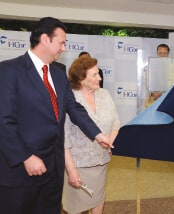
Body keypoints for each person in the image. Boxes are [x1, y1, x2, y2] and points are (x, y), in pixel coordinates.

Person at [0, 17, 112, 214]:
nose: (64, 48)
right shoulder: (9, 70)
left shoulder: (59, 74)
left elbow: (74, 108)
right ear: (45, 39)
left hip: (53, 168)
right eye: (61, 42)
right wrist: (25, 156)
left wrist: (97, 134)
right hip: (21, 169)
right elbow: (4, 121)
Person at [62, 56, 120, 214]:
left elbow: (115, 122)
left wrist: (108, 143)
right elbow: (64, 138)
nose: (100, 77)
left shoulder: (105, 94)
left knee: (98, 202)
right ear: (81, 78)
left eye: (99, 73)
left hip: (101, 161)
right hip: (77, 165)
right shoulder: (69, 98)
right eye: (94, 75)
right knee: (74, 208)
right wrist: (71, 170)